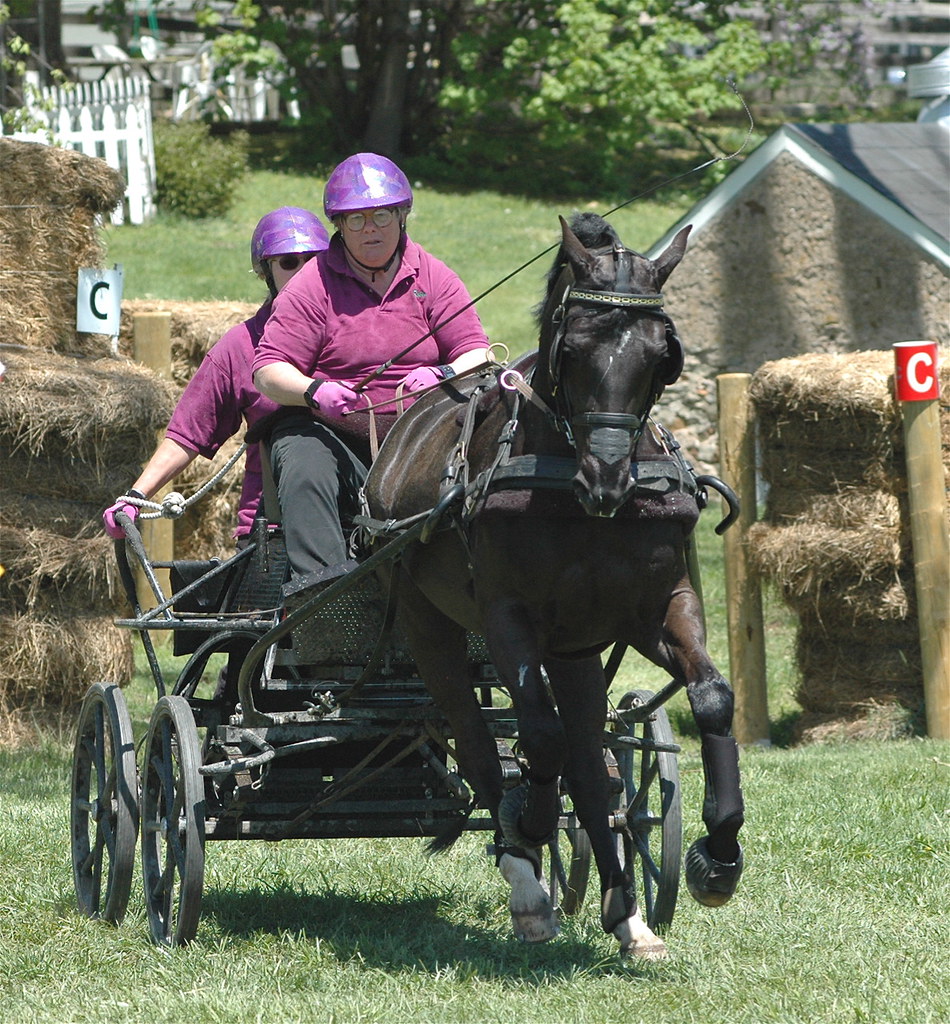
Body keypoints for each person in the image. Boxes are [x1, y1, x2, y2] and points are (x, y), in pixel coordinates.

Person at [251, 153, 491, 581]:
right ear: (339, 226)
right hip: (335, 437)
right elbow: (268, 371)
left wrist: (444, 375)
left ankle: (476, 580)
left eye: (381, 215)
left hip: (423, 436)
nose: (370, 229)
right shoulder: (311, 284)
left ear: (402, 216)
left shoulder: (435, 277)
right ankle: (325, 594)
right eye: (355, 219)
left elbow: (479, 353)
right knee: (302, 457)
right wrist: (314, 391)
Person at [102, 206, 331, 543]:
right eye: (288, 262)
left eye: (312, 260)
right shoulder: (241, 346)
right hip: (270, 530)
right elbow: (188, 433)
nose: (301, 271)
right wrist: (135, 496)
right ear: (266, 271)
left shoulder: (356, 329)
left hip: (357, 518)